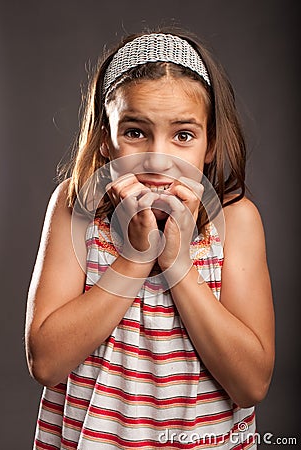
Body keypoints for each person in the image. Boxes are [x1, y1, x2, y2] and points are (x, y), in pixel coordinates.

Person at [25, 29, 275, 449]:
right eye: (136, 132)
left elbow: (251, 384)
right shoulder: (77, 210)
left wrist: (176, 264)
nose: (158, 160)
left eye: (183, 135)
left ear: (210, 143)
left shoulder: (236, 219)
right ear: (105, 137)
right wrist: (136, 259)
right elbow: (46, 363)